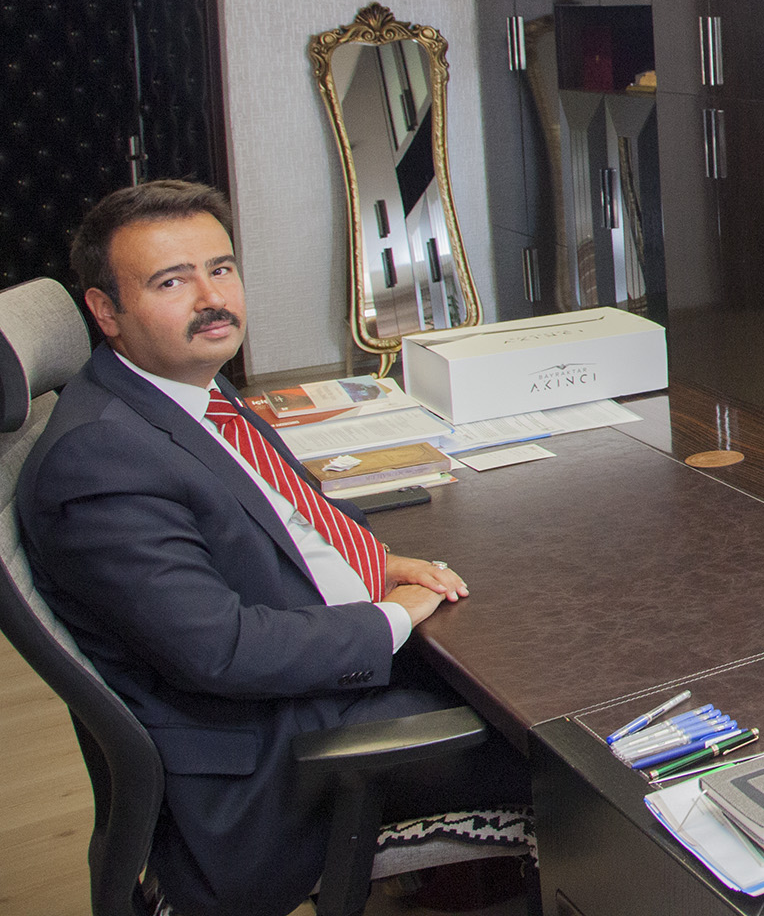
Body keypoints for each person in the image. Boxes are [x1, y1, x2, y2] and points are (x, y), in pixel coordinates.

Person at [17, 182, 526, 916]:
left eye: (220, 269)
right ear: (105, 311)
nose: (211, 298)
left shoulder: (183, 390)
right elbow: (221, 650)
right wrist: (393, 616)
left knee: (525, 645)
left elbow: (287, 516)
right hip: (271, 772)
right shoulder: (99, 459)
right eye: (171, 282)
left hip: (296, 696)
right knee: (560, 741)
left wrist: (378, 563)